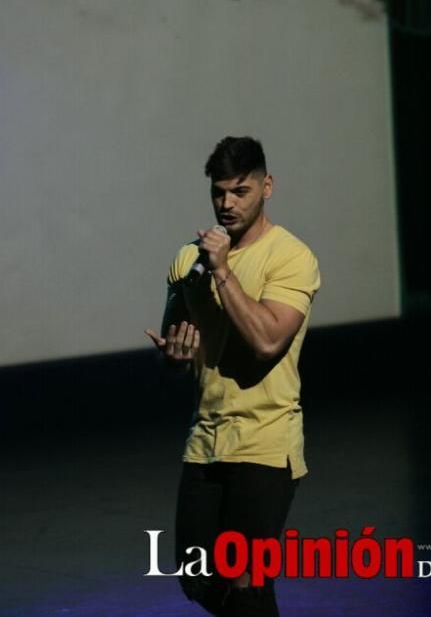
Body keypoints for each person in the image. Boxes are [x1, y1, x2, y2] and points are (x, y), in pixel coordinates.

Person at [146, 136, 320, 616]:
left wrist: (223, 270)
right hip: (207, 436)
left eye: (240, 191)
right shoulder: (187, 260)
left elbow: (268, 341)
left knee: (246, 581)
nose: (227, 203)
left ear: (267, 187)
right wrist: (175, 357)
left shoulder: (291, 257)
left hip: (266, 439)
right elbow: (174, 349)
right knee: (198, 577)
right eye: (219, 192)